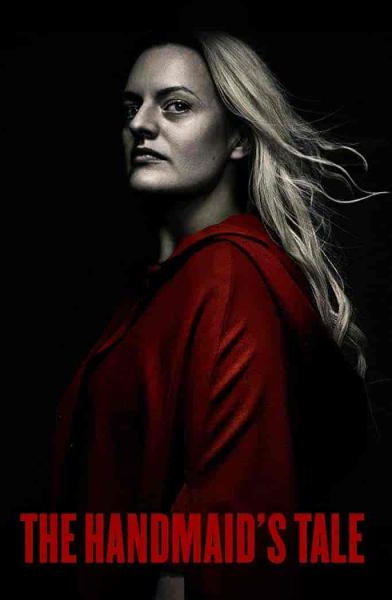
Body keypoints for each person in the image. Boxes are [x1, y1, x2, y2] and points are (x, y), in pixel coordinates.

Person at [51, 29, 374, 599]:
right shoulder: (163, 286)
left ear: (238, 139)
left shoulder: (228, 277)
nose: (140, 124)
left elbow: (220, 540)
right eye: (131, 107)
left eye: (176, 106)